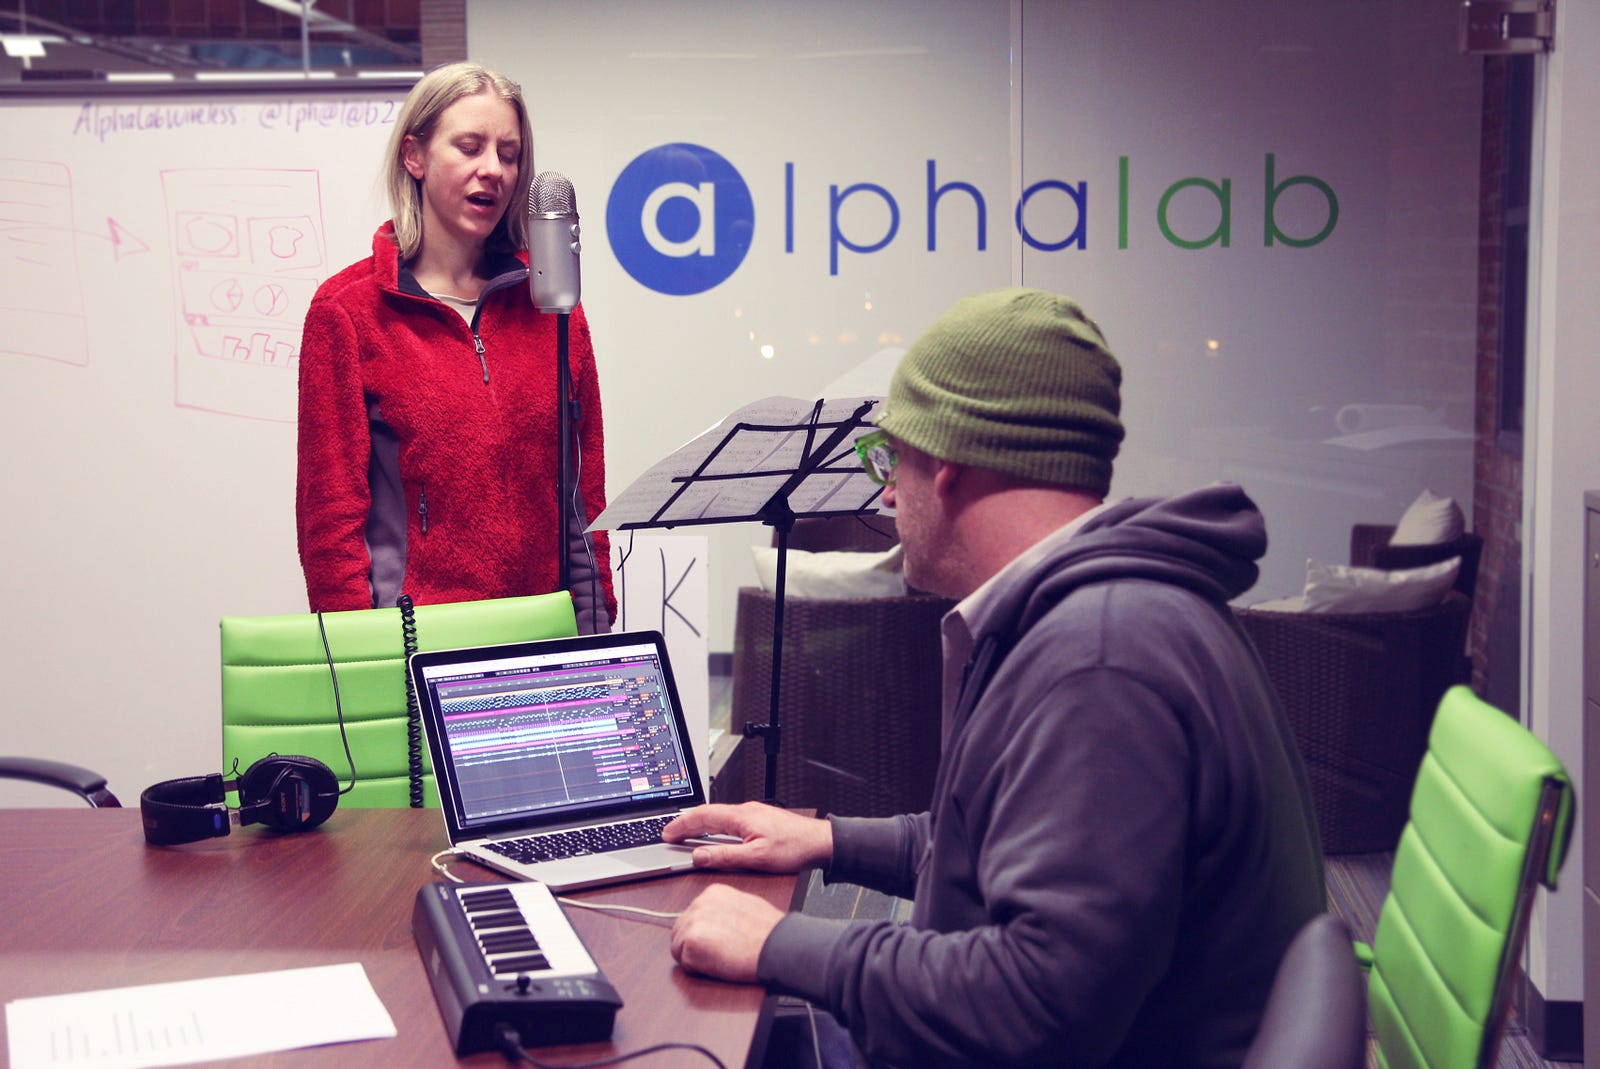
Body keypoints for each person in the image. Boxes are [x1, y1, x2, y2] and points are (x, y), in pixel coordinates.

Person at [664, 288, 1325, 1068]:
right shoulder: (1103, 614)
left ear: (948, 467)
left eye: (892, 458)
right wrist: (823, 838)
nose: (886, 492)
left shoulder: (1101, 661)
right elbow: (987, 845)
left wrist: (781, 941)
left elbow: (1037, 1004)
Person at [295, 62, 614, 632]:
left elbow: (582, 498)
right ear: (414, 156)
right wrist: (359, 653)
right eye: (469, 147)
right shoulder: (347, 311)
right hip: (415, 644)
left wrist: (594, 629)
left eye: (509, 155)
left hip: (543, 636)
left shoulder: (554, 308)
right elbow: (331, 519)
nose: (493, 169)